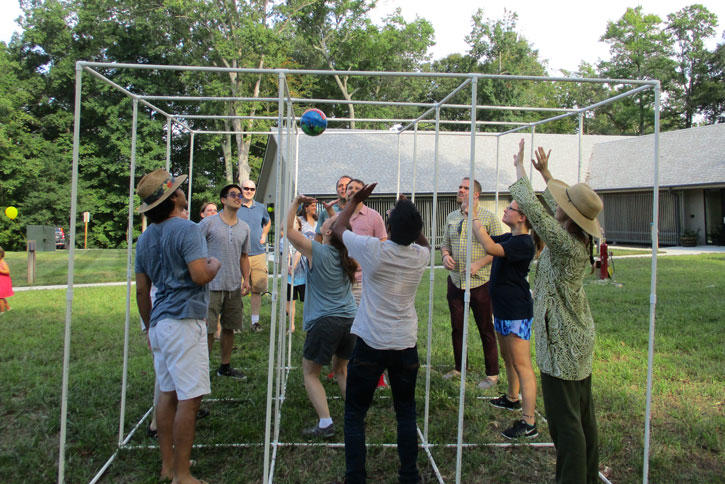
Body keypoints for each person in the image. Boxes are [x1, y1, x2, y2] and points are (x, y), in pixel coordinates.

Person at [510, 145, 603, 483]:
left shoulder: (564, 243)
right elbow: (552, 211)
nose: (559, 208)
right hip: (576, 336)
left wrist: (520, 168)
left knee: (567, 426)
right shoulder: (574, 238)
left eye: (564, 206)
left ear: (569, 215)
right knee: (582, 417)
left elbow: (535, 212)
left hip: (563, 342)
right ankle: (587, 476)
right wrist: (546, 174)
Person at [333, 185, 430, 484]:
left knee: (355, 413)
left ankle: (356, 477)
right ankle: (409, 475)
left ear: (387, 227)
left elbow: (338, 228)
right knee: (405, 412)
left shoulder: (373, 250)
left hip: (371, 343)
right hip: (405, 344)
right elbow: (422, 239)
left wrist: (355, 201)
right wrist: (408, 212)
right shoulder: (421, 256)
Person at [135, 168, 221, 484]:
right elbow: (200, 274)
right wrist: (215, 264)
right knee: (190, 398)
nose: (184, 193)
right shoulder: (187, 230)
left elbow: (142, 291)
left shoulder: (144, 239)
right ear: (174, 199)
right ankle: (182, 475)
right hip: (185, 322)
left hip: (159, 324)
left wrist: (148, 327)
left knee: (167, 394)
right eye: (179, 190)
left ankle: (168, 465)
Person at [466, 139, 544, 439]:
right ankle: (512, 399)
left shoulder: (523, 243)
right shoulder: (511, 238)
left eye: (510, 208)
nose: (506, 211)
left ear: (521, 216)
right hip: (503, 308)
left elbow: (486, 243)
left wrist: (473, 213)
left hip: (516, 310)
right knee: (509, 358)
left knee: (522, 363)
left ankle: (529, 420)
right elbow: (488, 240)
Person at [285, 195, 358, 439]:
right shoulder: (346, 255)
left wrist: (295, 202)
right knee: (341, 370)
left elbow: (288, 231)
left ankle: (325, 423)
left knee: (310, 373)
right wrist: (330, 213)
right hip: (350, 319)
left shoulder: (318, 251)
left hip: (326, 321)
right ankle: (355, 414)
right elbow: (335, 227)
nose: (323, 223)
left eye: (326, 224)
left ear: (327, 233)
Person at [440, 177, 503, 388]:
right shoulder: (451, 217)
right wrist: (445, 256)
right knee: (457, 328)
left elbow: (499, 249)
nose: (460, 190)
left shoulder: (489, 218)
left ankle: (492, 374)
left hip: (481, 283)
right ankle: (459, 368)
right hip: (456, 281)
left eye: (465, 188)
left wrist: (479, 264)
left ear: (476, 194)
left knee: (485, 328)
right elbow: (444, 245)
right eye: (459, 187)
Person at [199, 184, 252, 380]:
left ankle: (225, 366)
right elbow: (193, 246)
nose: (238, 198)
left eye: (240, 195)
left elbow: (244, 256)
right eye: (233, 195)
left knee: (230, 327)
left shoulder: (244, 228)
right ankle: (201, 371)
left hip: (233, 286)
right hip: (210, 285)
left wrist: (246, 279)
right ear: (223, 200)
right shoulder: (209, 223)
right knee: (209, 330)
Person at [236, 180, 271, 332]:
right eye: (246, 188)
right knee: (238, 290)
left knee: (257, 288)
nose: (249, 191)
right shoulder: (235, 206)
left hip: (258, 253)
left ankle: (255, 322)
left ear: (255, 191)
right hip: (239, 254)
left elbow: (268, 222)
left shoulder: (261, 207)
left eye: (252, 189)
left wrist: (264, 234)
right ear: (241, 190)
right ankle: (236, 323)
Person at [283, 216, 307, 333]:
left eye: (295, 222)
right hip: (289, 277)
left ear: (299, 225)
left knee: (307, 302)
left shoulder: (303, 237)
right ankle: (291, 326)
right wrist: (288, 265)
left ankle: (309, 324)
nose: (292, 225)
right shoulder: (284, 240)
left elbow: (299, 252)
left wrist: (294, 265)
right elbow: (286, 253)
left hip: (303, 276)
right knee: (289, 302)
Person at [315, 175, 351, 242]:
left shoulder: (359, 212)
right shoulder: (325, 212)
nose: (343, 188)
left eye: (347, 185)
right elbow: (318, 240)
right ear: (337, 190)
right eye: (340, 186)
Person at [0, 246, 13, 313]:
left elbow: (7, 271)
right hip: (1, 282)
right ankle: (8, 308)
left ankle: (2, 311)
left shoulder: (3, 263)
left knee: (0, 297)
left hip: (3, 282)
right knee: (1, 296)